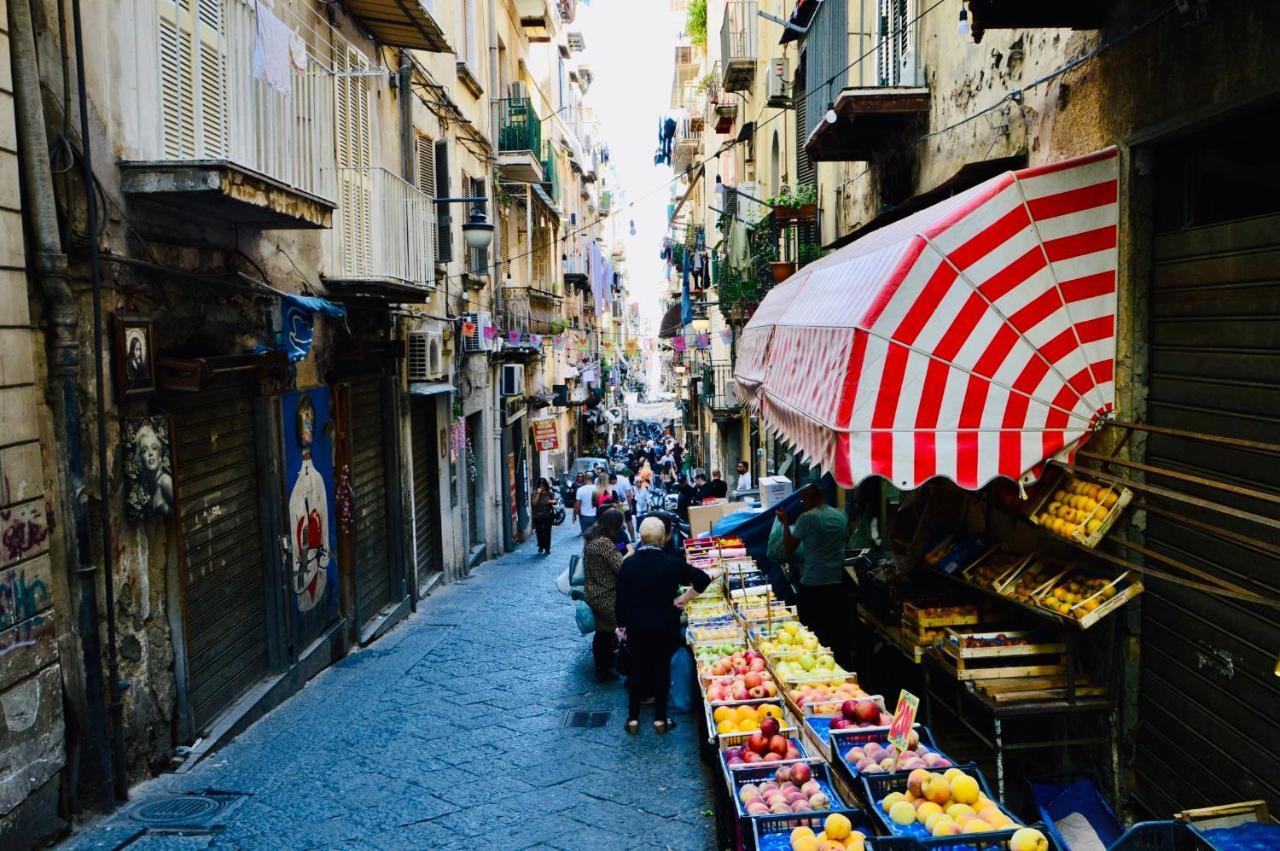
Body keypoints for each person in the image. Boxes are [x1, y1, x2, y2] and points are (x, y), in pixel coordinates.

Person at [615, 517, 711, 734]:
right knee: (661, 669)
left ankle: (632, 719)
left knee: (636, 669)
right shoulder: (671, 563)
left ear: (640, 536)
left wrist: (621, 625)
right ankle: (660, 719)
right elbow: (703, 579)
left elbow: (620, 599)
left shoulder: (628, 564)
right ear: (664, 537)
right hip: (664, 625)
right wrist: (684, 598)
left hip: (636, 625)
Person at [775, 486, 851, 661]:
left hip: (812, 584)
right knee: (834, 630)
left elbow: (789, 547)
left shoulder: (807, 518)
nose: (803, 504)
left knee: (812, 632)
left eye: (803, 500)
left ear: (811, 498)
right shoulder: (840, 516)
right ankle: (838, 661)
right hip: (836, 583)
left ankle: (815, 662)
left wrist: (785, 523)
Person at [582, 509, 629, 682]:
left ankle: (602, 669)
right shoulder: (604, 543)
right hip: (605, 593)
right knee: (612, 629)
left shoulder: (593, 538)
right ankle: (607, 668)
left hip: (594, 591)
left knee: (603, 631)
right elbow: (620, 567)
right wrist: (630, 556)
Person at [531, 478, 555, 555]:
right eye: (540, 485)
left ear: (546, 485)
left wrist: (551, 501)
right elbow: (534, 503)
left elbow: (554, 501)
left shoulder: (549, 493)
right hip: (537, 516)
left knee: (547, 532)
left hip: (547, 515)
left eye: (543, 485)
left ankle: (547, 548)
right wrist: (538, 494)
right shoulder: (535, 493)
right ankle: (541, 546)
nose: (542, 487)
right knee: (539, 532)